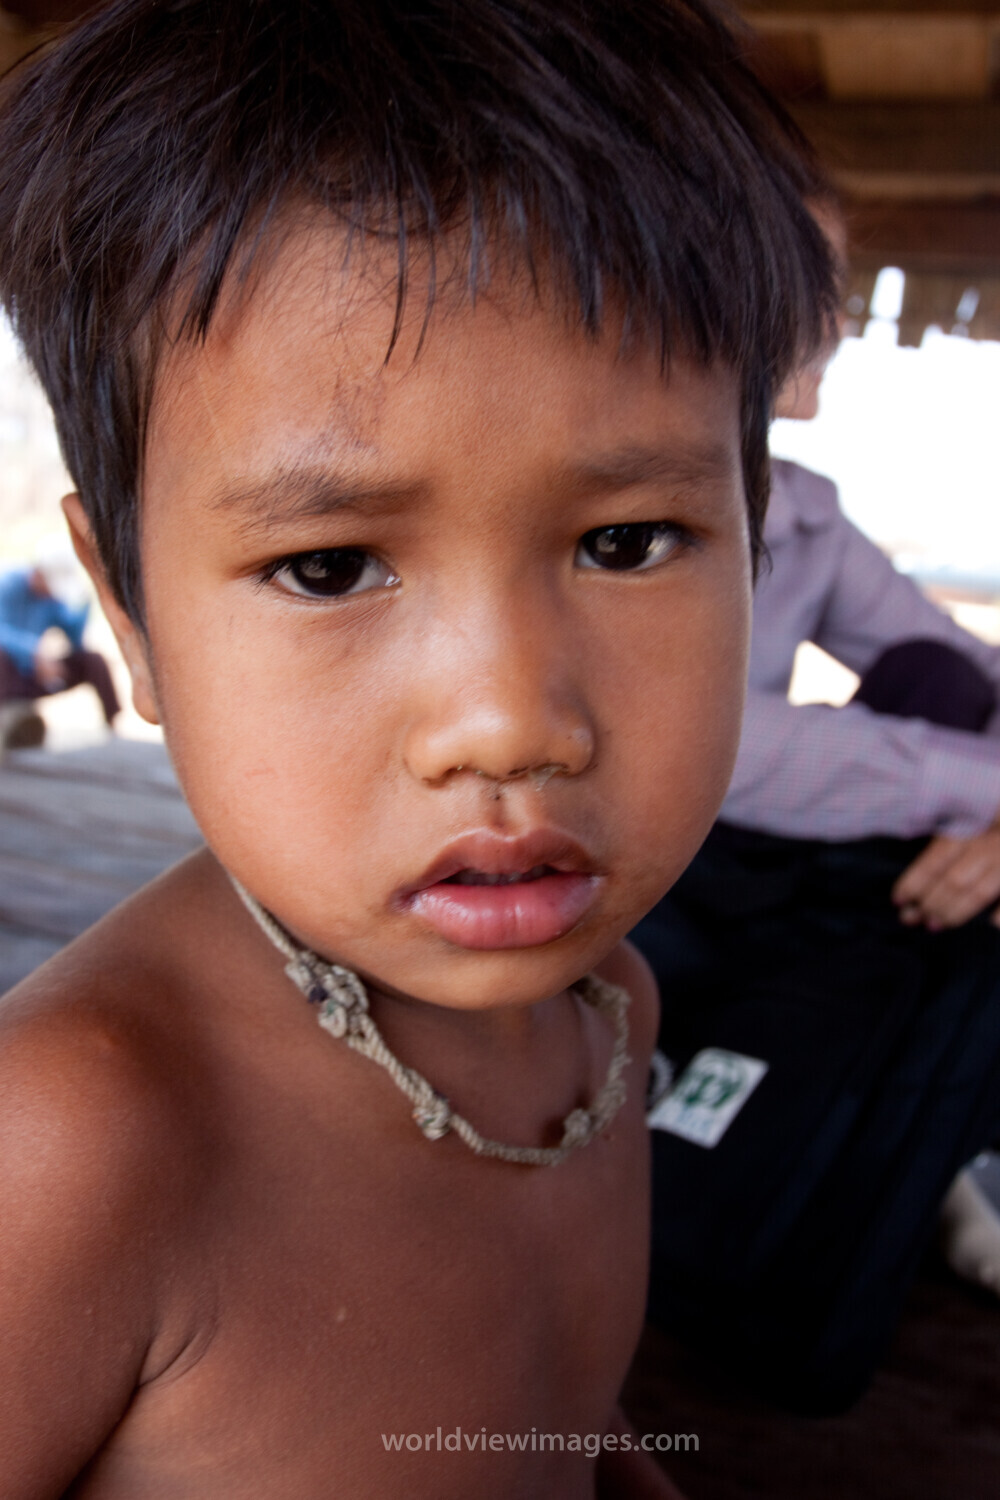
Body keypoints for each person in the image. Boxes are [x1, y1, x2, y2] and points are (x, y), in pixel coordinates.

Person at [0, 0, 834, 1494]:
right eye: (329, 568)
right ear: (129, 614)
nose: (506, 721)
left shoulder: (611, 1014)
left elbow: (552, 1421)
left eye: (628, 541)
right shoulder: (70, 1145)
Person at [633, 278, 1000, 1409]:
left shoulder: (800, 509)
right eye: (805, 277)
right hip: (648, 861)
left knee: (933, 684)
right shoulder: (627, 499)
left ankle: (906, 1133)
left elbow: (959, 664)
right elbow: (704, 742)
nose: (835, 320)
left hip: (758, 867)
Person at [0, 543, 120, 747]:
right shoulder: (8, 585)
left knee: (92, 660)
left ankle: (113, 726)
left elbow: (75, 642)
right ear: (39, 573)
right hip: (8, 676)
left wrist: (83, 604)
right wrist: (33, 652)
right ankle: (9, 717)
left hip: (35, 674)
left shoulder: (51, 599)